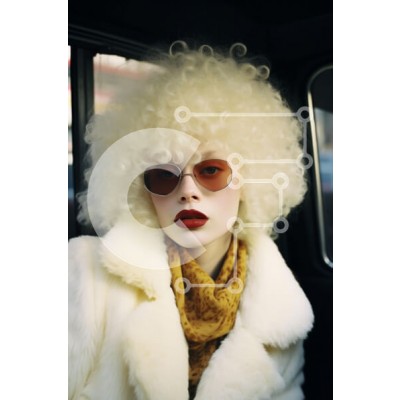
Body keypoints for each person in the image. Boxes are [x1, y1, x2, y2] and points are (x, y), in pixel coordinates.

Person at [69, 42, 314, 400]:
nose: (187, 191)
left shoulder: (281, 310)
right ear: (142, 191)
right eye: (164, 175)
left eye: (211, 170)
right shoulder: (86, 273)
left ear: (248, 179)